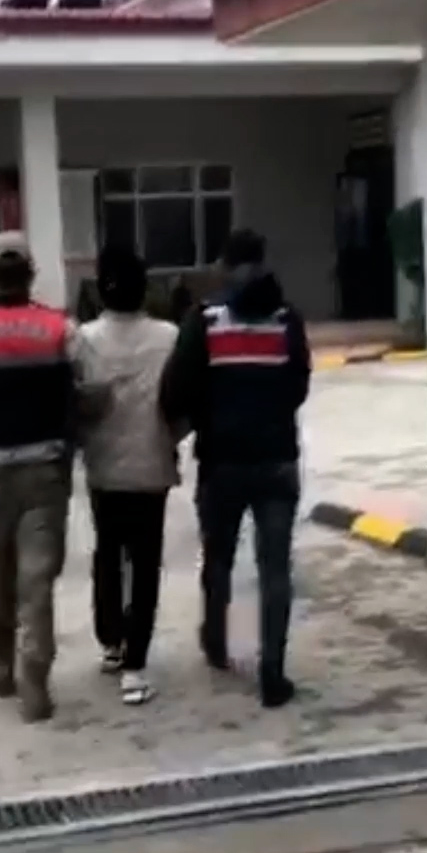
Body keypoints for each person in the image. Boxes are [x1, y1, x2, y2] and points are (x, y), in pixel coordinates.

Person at [159, 229, 312, 709]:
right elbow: (298, 386)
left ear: (225, 267)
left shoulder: (205, 319)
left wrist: (206, 417)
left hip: (221, 461)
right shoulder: (287, 320)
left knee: (218, 557)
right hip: (277, 460)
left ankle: (216, 641)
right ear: (263, 262)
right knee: (275, 567)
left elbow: (176, 389)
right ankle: (273, 671)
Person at [0, 232, 82, 723]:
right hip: (45, 470)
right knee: (37, 577)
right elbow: (81, 390)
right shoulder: (59, 329)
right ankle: (35, 681)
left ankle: (1, 663)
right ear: (30, 274)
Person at [76, 245, 182, 706]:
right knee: (145, 563)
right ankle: (136, 664)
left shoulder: (83, 339)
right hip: (152, 464)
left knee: (108, 553)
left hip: (103, 467)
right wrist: (171, 435)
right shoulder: (170, 336)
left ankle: (111, 642)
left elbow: (78, 403)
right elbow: (182, 400)